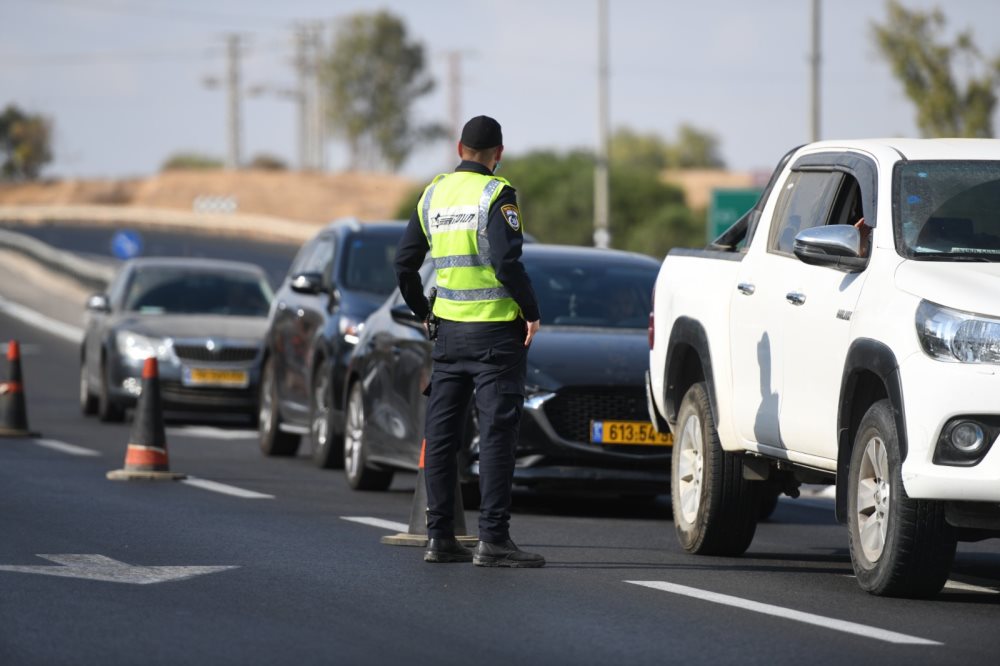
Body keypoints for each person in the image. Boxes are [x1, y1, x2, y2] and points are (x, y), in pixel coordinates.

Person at [394, 115, 545, 568]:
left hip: (448, 335)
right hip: (497, 335)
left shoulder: (432, 195)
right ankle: (493, 540)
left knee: (441, 437)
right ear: (498, 153)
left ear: (460, 148)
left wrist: (425, 312)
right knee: (497, 435)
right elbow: (506, 262)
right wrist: (532, 311)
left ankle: (439, 538)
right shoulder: (497, 195)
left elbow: (404, 265)